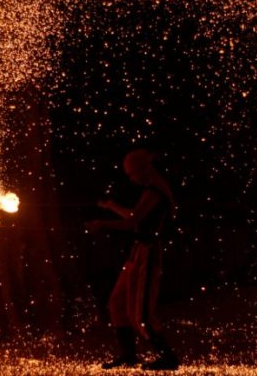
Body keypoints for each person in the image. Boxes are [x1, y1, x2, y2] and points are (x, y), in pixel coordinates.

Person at [85, 149, 179, 371]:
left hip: (148, 253)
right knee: (117, 302)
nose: (131, 179)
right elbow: (133, 219)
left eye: (132, 174)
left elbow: (134, 219)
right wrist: (109, 210)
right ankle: (128, 356)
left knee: (141, 312)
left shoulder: (155, 191)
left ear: (143, 169)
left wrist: (104, 221)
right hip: (136, 252)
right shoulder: (151, 189)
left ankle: (168, 357)